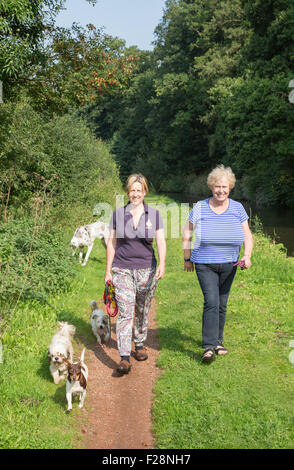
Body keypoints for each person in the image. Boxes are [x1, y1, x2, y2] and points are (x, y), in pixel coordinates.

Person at [182, 164, 253, 363]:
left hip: (230, 264)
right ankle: (208, 347)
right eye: (217, 187)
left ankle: (218, 341)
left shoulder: (238, 208)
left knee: (222, 304)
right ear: (211, 187)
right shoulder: (200, 207)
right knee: (211, 302)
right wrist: (187, 258)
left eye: (224, 187)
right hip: (205, 264)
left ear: (230, 187)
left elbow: (248, 235)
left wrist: (247, 256)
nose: (220, 190)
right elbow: (187, 233)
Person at [105, 173, 166, 374]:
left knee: (142, 308)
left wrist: (162, 263)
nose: (136, 194)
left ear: (145, 192)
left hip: (147, 269)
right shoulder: (118, 214)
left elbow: (160, 241)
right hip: (122, 269)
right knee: (124, 312)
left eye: (139, 190)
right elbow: (112, 243)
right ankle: (124, 356)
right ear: (128, 191)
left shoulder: (154, 214)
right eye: (132, 190)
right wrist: (108, 271)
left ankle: (139, 344)